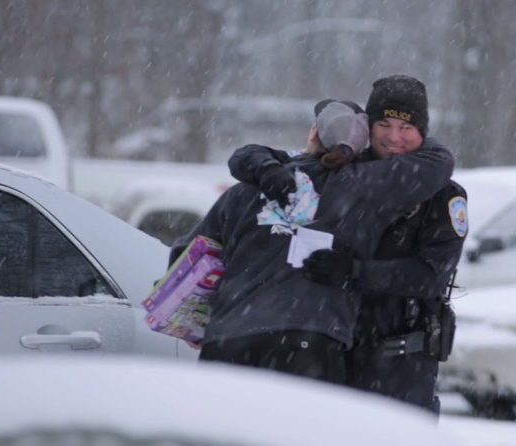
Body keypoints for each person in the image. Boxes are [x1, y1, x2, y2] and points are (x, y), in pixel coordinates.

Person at [226, 74, 468, 414]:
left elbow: (431, 275)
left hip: (400, 362)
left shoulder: (442, 195)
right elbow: (247, 155)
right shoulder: (343, 167)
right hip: (331, 351)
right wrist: (266, 168)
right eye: (384, 124)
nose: (394, 137)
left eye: (407, 128)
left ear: (423, 132)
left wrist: (355, 272)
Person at [171, 98, 455, 386]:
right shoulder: (366, 189)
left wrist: (195, 324)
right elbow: (438, 163)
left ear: (314, 133)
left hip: (227, 340)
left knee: (216, 431)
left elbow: (187, 255)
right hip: (309, 342)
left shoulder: (247, 189)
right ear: (361, 147)